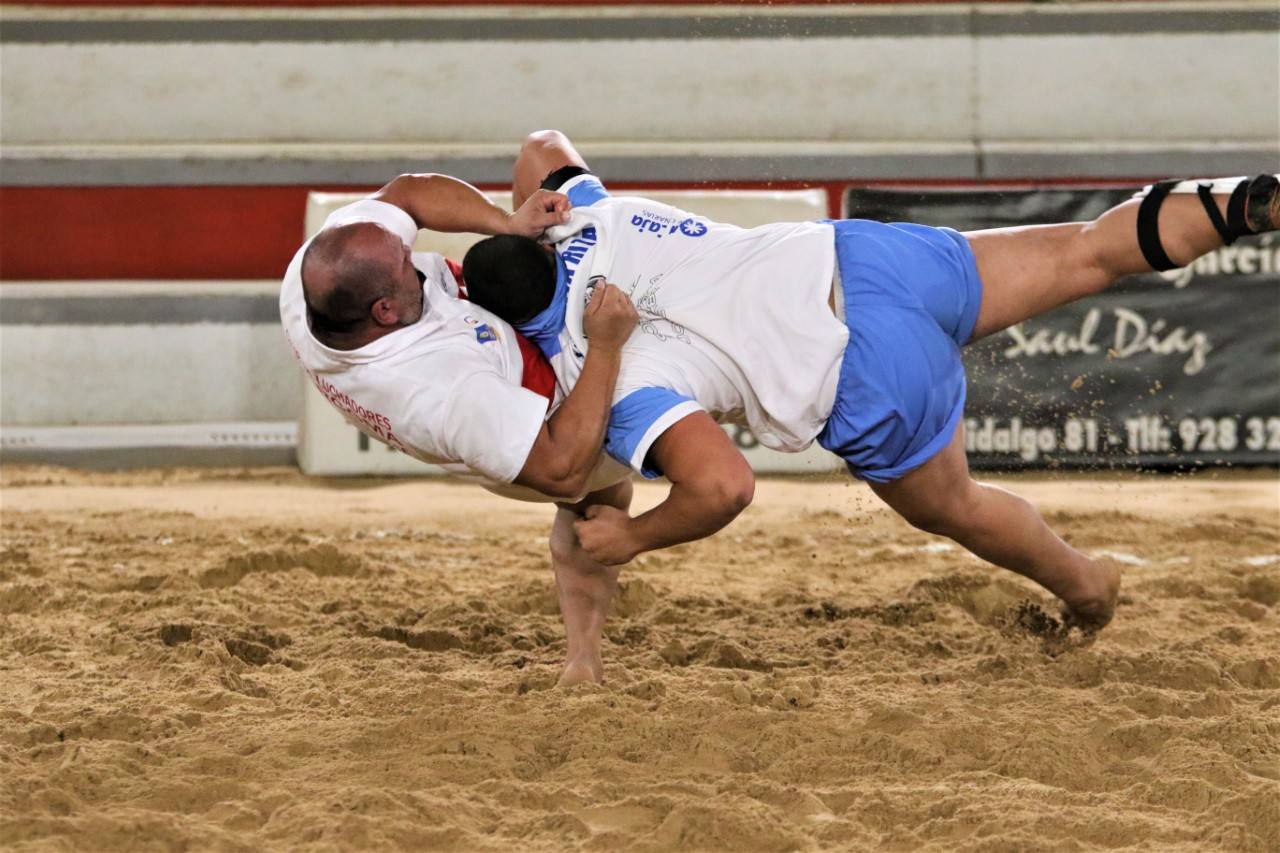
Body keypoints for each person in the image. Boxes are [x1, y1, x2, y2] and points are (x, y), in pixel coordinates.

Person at [464, 130, 1280, 682]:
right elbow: (543, 144)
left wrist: (633, 535)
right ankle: (1242, 201)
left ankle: (1087, 586)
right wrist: (513, 210)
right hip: (866, 258)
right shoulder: (583, 213)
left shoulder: (599, 374)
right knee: (1092, 251)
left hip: (860, 371)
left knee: (955, 504)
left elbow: (724, 488)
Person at [280, 172, 643, 686]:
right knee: (597, 492)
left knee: (534, 175)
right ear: (383, 310)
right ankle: (582, 656)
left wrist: (506, 222)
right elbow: (560, 469)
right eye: (405, 264)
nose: (413, 256)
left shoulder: (315, 277)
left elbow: (406, 192)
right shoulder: (435, 392)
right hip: (530, 425)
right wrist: (605, 348)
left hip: (481, 343)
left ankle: (583, 658)